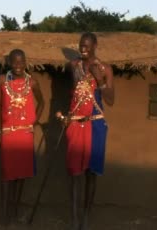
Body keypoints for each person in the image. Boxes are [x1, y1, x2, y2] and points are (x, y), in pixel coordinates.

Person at [59, 32, 114, 230]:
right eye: (81, 45)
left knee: (91, 173)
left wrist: (100, 81)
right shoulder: (74, 66)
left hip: (96, 124)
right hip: (76, 124)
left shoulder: (105, 68)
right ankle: (74, 219)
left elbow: (110, 100)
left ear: (95, 45)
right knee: (75, 173)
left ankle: (86, 218)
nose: (83, 48)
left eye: (88, 45)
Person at [0, 49, 44, 224]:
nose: (18, 66)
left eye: (21, 62)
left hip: (25, 134)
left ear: (25, 63)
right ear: (9, 63)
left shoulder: (32, 82)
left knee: (21, 175)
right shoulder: (1, 81)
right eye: (14, 62)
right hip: (8, 133)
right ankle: (5, 214)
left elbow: (42, 102)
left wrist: (33, 122)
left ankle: (15, 208)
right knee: (7, 175)